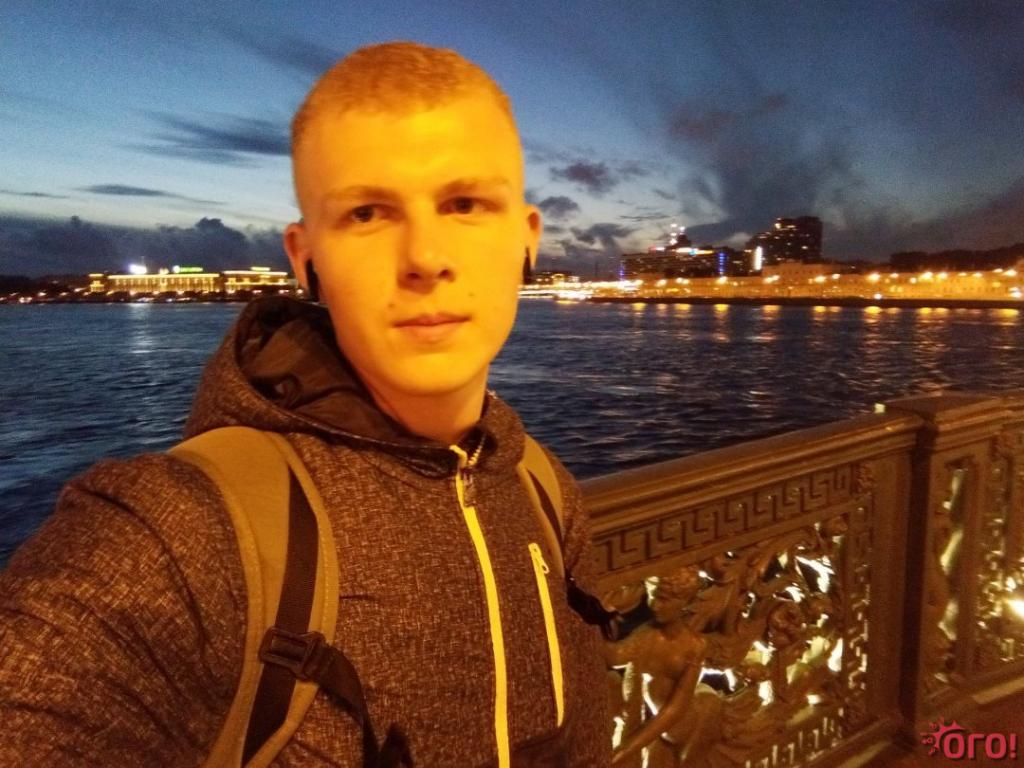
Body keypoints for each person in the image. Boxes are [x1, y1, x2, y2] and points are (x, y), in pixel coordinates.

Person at [0, 41, 612, 766]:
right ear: (305, 257)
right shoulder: (183, 535)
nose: (425, 258)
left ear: (526, 240)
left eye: (465, 205)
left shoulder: (544, 491)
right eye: (367, 213)